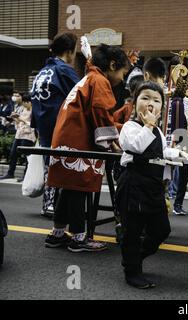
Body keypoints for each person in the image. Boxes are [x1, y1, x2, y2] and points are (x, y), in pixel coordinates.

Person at [44, 44, 130, 253]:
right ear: (112, 65)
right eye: (122, 72)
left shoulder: (89, 78)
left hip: (66, 137)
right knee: (79, 189)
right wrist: (112, 143)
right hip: (77, 140)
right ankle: (79, 237)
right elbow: (100, 112)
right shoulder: (99, 80)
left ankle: (57, 233)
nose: (122, 78)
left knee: (69, 187)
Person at [116, 81, 188, 289]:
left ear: (161, 108)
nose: (151, 104)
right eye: (145, 98)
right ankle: (132, 270)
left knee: (161, 229)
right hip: (134, 184)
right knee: (133, 230)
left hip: (153, 186)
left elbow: (162, 151)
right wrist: (148, 125)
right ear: (134, 103)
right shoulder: (130, 127)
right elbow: (136, 147)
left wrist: (177, 153)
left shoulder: (157, 131)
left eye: (156, 100)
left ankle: (135, 257)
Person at [30, 32, 81, 218]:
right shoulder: (64, 70)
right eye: (74, 51)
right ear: (69, 51)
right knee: (60, 167)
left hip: (42, 126)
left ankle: (49, 203)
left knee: (49, 166)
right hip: (59, 126)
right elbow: (81, 93)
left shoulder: (43, 71)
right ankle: (54, 205)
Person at [0, 93, 36, 181]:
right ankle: (10, 173)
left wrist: (21, 119)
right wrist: (15, 118)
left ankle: (26, 176)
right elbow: (19, 123)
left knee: (27, 157)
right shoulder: (23, 109)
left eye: (26, 102)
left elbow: (32, 125)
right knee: (13, 154)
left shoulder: (34, 111)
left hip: (28, 136)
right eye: (24, 102)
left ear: (31, 102)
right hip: (19, 134)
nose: (24, 103)